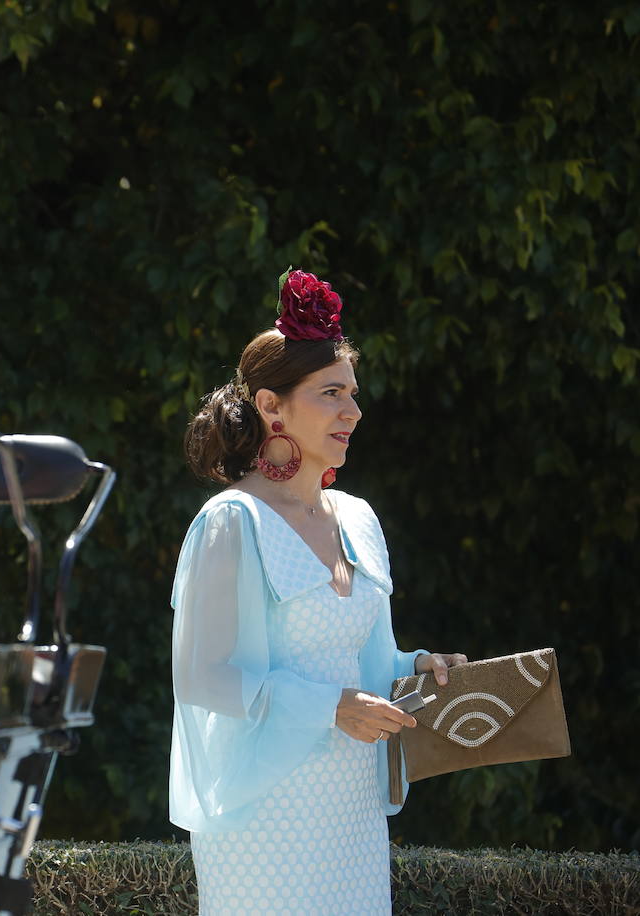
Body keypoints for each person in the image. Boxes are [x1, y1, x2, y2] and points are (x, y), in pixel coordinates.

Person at [169, 268, 468, 914]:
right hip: (264, 818)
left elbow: (364, 663)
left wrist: (419, 667)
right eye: (331, 393)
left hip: (353, 811)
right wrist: (330, 707)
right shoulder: (231, 522)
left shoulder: (358, 518)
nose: (352, 412)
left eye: (352, 394)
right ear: (271, 406)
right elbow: (201, 677)